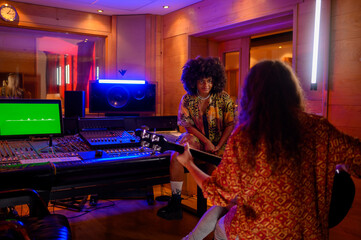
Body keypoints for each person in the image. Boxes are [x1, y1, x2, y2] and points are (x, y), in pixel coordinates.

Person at [177, 60, 361, 239]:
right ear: (293, 92)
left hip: (257, 232)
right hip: (308, 232)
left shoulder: (246, 137)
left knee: (221, 228)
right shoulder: (319, 128)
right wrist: (342, 165)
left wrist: (189, 163)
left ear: (252, 95)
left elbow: (217, 192)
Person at [157, 56, 235, 220]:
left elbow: (230, 125)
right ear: (193, 81)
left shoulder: (224, 98)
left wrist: (218, 145)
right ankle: (176, 203)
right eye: (201, 81)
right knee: (176, 157)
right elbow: (188, 125)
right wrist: (206, 141)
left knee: (214, 169)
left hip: (221, 142)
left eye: (209, 81)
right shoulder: (187, 99)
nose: (206, 85)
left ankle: (218, 214)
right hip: (197, 140)